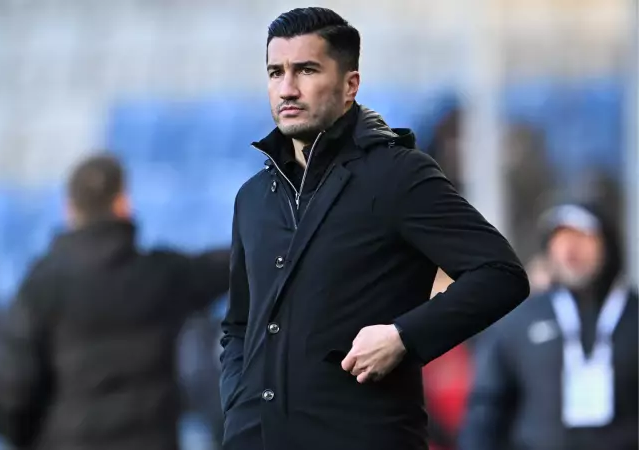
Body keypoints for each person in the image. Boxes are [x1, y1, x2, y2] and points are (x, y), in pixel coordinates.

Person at [219, 7, 529, 450]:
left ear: (350, 85)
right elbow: (238, 325)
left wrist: (403, 337)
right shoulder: (252, 197)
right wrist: (238, 402)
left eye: (306, 70)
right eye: (275, 72)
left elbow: (501, 274)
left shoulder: (398, 175)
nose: (287, 88)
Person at [0, 154, 230, 450]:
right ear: (123, 203)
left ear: (69, 209)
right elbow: (231, 264)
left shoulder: (41, 285)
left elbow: (12, 389)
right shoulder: (161, 275)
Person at [459, 202, 638, 450]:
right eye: (560, 239)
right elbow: (486, 408)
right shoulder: (520, 319)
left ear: (608, 243)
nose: (570, 250)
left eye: (582, 237)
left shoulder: (633, 316)